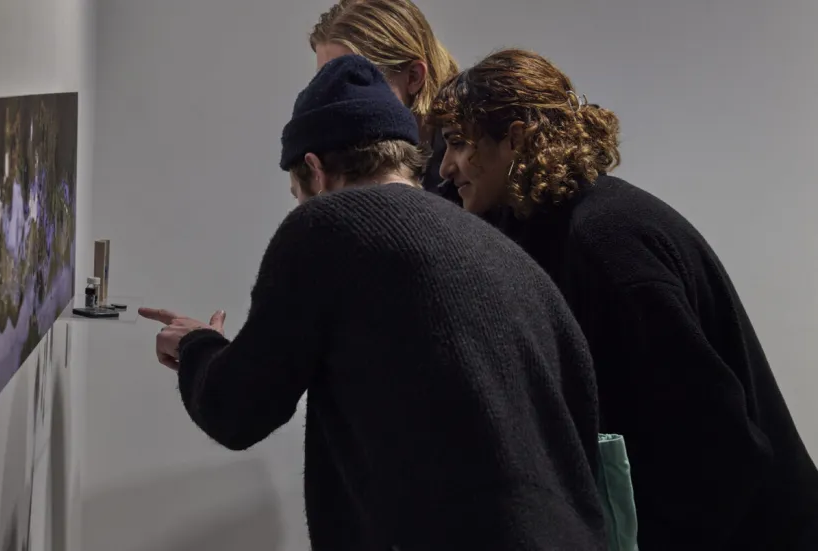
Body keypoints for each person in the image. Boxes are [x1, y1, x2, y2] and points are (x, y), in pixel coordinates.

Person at [140, 55, 608, 550]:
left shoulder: (326, 226)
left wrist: (197, 345)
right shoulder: (503, 251)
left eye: (297, 193)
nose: (300, 205)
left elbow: (237, 409)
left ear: (316, 171)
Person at [432, 48, 818, 551]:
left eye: (458, 142)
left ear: (516, 138)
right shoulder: (545, 225)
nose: (446, 167)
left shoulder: (608, 242)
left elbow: (716, 441)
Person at [309, 0, 461, 203]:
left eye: (354, 80)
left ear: (414, 77)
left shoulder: (473, 165)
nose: (332, 101)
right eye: (324, 82)